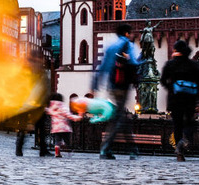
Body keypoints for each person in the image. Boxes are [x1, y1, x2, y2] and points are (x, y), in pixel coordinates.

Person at [91, 24, 143, 160]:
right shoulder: (129, 46)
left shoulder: (111, 47)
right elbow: (135, 63)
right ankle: (108, 149)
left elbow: (102, 66)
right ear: (126, 33)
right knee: (120, 118)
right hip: (124, 86)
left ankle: (117, 149)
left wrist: (95, 84)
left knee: (119, 116)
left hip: (112, 85)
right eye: (130, 33)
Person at [160, 40, 199, 162]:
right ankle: (184, 141)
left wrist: (172, 88)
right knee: (189, 123)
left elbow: (163, 80)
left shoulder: (170, 64)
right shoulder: (193, 65)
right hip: (189, 99)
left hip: (175, 99)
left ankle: (180, 152)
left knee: (177, 125)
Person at [46, 93, 81, 158]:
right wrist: (77, 118)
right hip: (65, 127)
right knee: (67, 141)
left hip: (56, 127)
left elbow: (47, 111)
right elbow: (68, 115)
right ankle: (68, 152)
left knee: (57, 141)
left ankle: (57, 153)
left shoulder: (51, 107)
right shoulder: (63, 107)